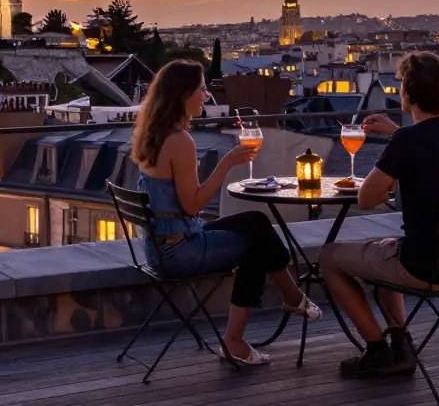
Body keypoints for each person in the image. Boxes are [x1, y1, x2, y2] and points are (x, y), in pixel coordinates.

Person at [134, 59, 321, 366]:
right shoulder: (180, 141)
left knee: (257, 222)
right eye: (202, 89)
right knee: (256, 248)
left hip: (160, 245)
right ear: (183, 94)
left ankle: (292, 297)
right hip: (181, 251)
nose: (207, 96)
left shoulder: (152, 135)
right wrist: (227, 163)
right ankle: (235, 341)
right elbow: (193, 205)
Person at [320, 52, 439, 379]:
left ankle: (377, 349)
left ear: (407, 95)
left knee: (329, 258)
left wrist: (397, 143)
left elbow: (367, 198)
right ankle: (400, 343)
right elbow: (430, 148)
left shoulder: (408, 141)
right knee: (387, 247)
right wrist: (398, 136)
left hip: (423, 266)